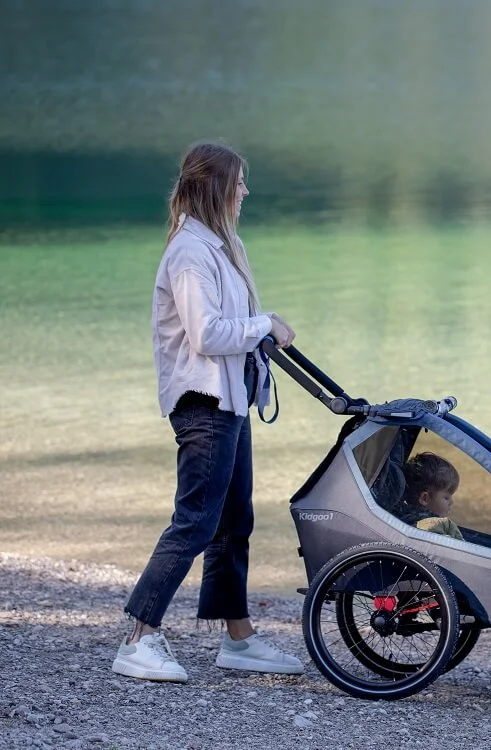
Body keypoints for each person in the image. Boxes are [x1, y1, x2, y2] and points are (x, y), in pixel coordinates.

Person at [112, 142, 303, 683]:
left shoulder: (224, 245)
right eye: (239, 183)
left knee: (233, 521)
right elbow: (206, 334)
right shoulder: (190, 253)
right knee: (195, 521)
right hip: (204, 405)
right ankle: (138, 638)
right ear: (219, 187)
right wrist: (264, 324)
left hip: (231, 401)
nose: (246, 192)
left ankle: (238, 639)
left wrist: (261, 328)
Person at [390, 452, 465, 540]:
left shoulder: (405, 518)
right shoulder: (430, 529)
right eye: (446, 498)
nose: (451, 502)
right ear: (425, 498)